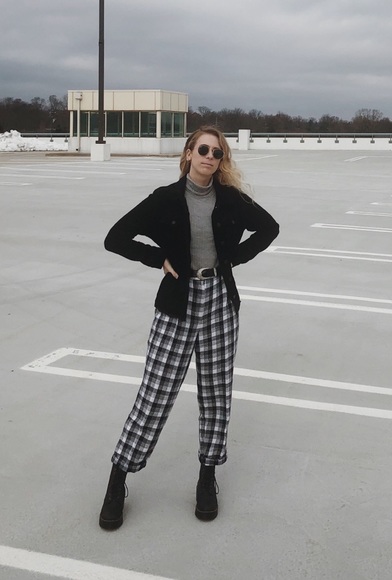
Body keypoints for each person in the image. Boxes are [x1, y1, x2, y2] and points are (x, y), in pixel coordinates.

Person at [98, 126, 279, 530]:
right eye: (203, 150)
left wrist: (233, 258)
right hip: (177, 303)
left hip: (219, 302)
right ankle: (117, 479)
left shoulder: (231, 199)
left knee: (216, 394)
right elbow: (115, 238)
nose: (209, 157)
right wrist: (157, 258)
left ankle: (206, 477)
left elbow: (269, 228)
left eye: (217, 153)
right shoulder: (165, 199)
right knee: (154, 395)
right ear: (188, 154)